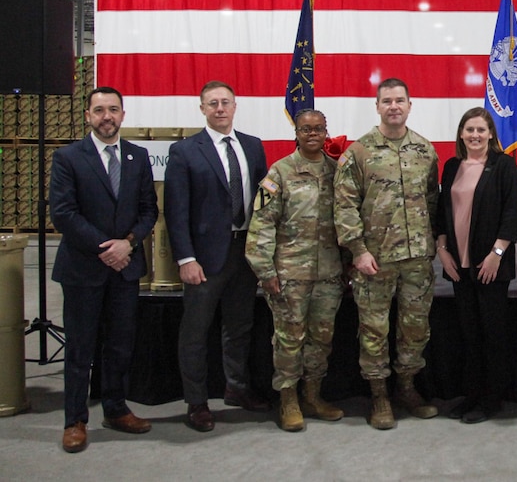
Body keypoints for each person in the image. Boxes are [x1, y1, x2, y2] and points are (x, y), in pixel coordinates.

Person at [49, 87, 158, 453]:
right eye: (99, 110)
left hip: (126, 269)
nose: (106, 116)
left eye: (113, 110)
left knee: (119, 345)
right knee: (80, 348)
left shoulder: (137, 156)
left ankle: (115, 409)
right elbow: (63, 213)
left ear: (123, 115)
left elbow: (149, 211)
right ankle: (75, 420)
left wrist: (128, 243)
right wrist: (106, 248)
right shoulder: (68, 157)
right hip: (83, 270)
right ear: (88, 115)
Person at [334, 78, 440, 430]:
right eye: (387, 101)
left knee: (415, 328)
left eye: (400, 100)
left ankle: (407, 388)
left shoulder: (425, 151)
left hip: (417, 259)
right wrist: (358, 251)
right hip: (373, 261)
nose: (394, 106)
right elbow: (345, 206)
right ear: (377, 106)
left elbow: (432, 201)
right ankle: (379, 395)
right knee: (374, 330)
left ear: (411, 105)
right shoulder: (358, 152)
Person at [165, 80, 269, 432]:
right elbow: (175, 212)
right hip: (205, 258)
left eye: (225, 102)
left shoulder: (254, 147)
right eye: (213, 103)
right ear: (202, 109)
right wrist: (185, 259)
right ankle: (196, 402)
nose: (220, 108)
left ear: (235, 106)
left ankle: (236, 388)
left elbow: (262, 204)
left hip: (245, 252)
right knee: (195, 331)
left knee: (239, 326)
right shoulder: (185, 151)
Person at [245, 109, 345, 432]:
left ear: (326, 131)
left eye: (318, 129)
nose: (312, 134)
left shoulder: (337, 172)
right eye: (306, 129)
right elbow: (261, 223)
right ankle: (288, 399)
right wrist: (265, 270)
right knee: (289, 340)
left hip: (329, 274)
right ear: (297, 133)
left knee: (322, 339)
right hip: (289, 275)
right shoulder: (278, 173)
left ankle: (312, 396)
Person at [435, 108, 517, 424]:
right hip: (458, 265)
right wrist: (442, 249)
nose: (475, 135)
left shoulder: (504, 165)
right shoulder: (451, 166)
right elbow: (441, 212)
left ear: (490, 135)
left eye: (481, 130)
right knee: (468, 334)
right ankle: (470, 395)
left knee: (492, 333)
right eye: (469, 129)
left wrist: (496, 254)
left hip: (489, 266)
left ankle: (491, 400)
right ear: (461, 134)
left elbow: (513, 213)